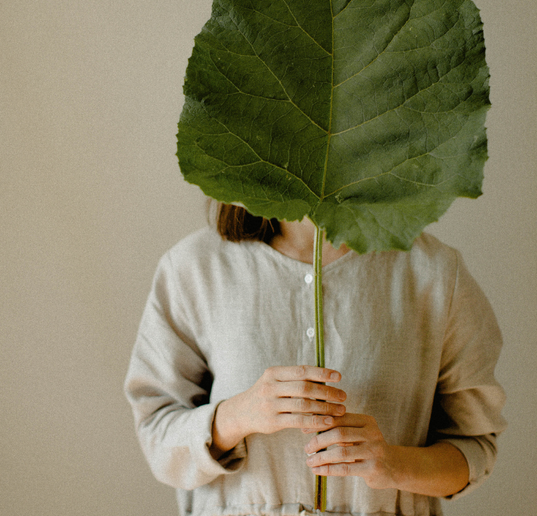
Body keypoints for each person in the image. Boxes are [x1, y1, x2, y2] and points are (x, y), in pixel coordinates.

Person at [125, 203, 506, 516]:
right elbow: (157, 437)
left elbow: (475, 449)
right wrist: (240, 414)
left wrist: (393, 463)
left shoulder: (433, 272)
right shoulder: (194, 268)